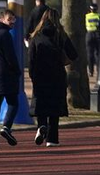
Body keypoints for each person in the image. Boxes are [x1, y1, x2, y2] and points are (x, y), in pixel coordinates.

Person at [27, 8, 76, 147]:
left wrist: (33, 75)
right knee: (54, 109)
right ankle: (52, 139)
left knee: (41, 105)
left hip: (40, 75)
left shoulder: (36, 37)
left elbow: (31, 59)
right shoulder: (61, 35)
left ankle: (41, 126)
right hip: (57, 75)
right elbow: (73, 54)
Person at [0, 7, 22, 146]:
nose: (12, 22)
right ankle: (6, 127)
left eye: (14, 20)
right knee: (13, 102)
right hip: (6, 74)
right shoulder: (5, 35)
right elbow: (10, 56)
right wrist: (16, 70)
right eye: (10, 20)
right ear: (2, 19)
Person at [84, 2, 100, 77]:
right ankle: (98, 70)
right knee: (98, 53)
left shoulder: (87, 16)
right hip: (97, 35)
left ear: (90, 9)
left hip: (89, 34)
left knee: (89, 54)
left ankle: (91, 71)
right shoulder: (99, 16)